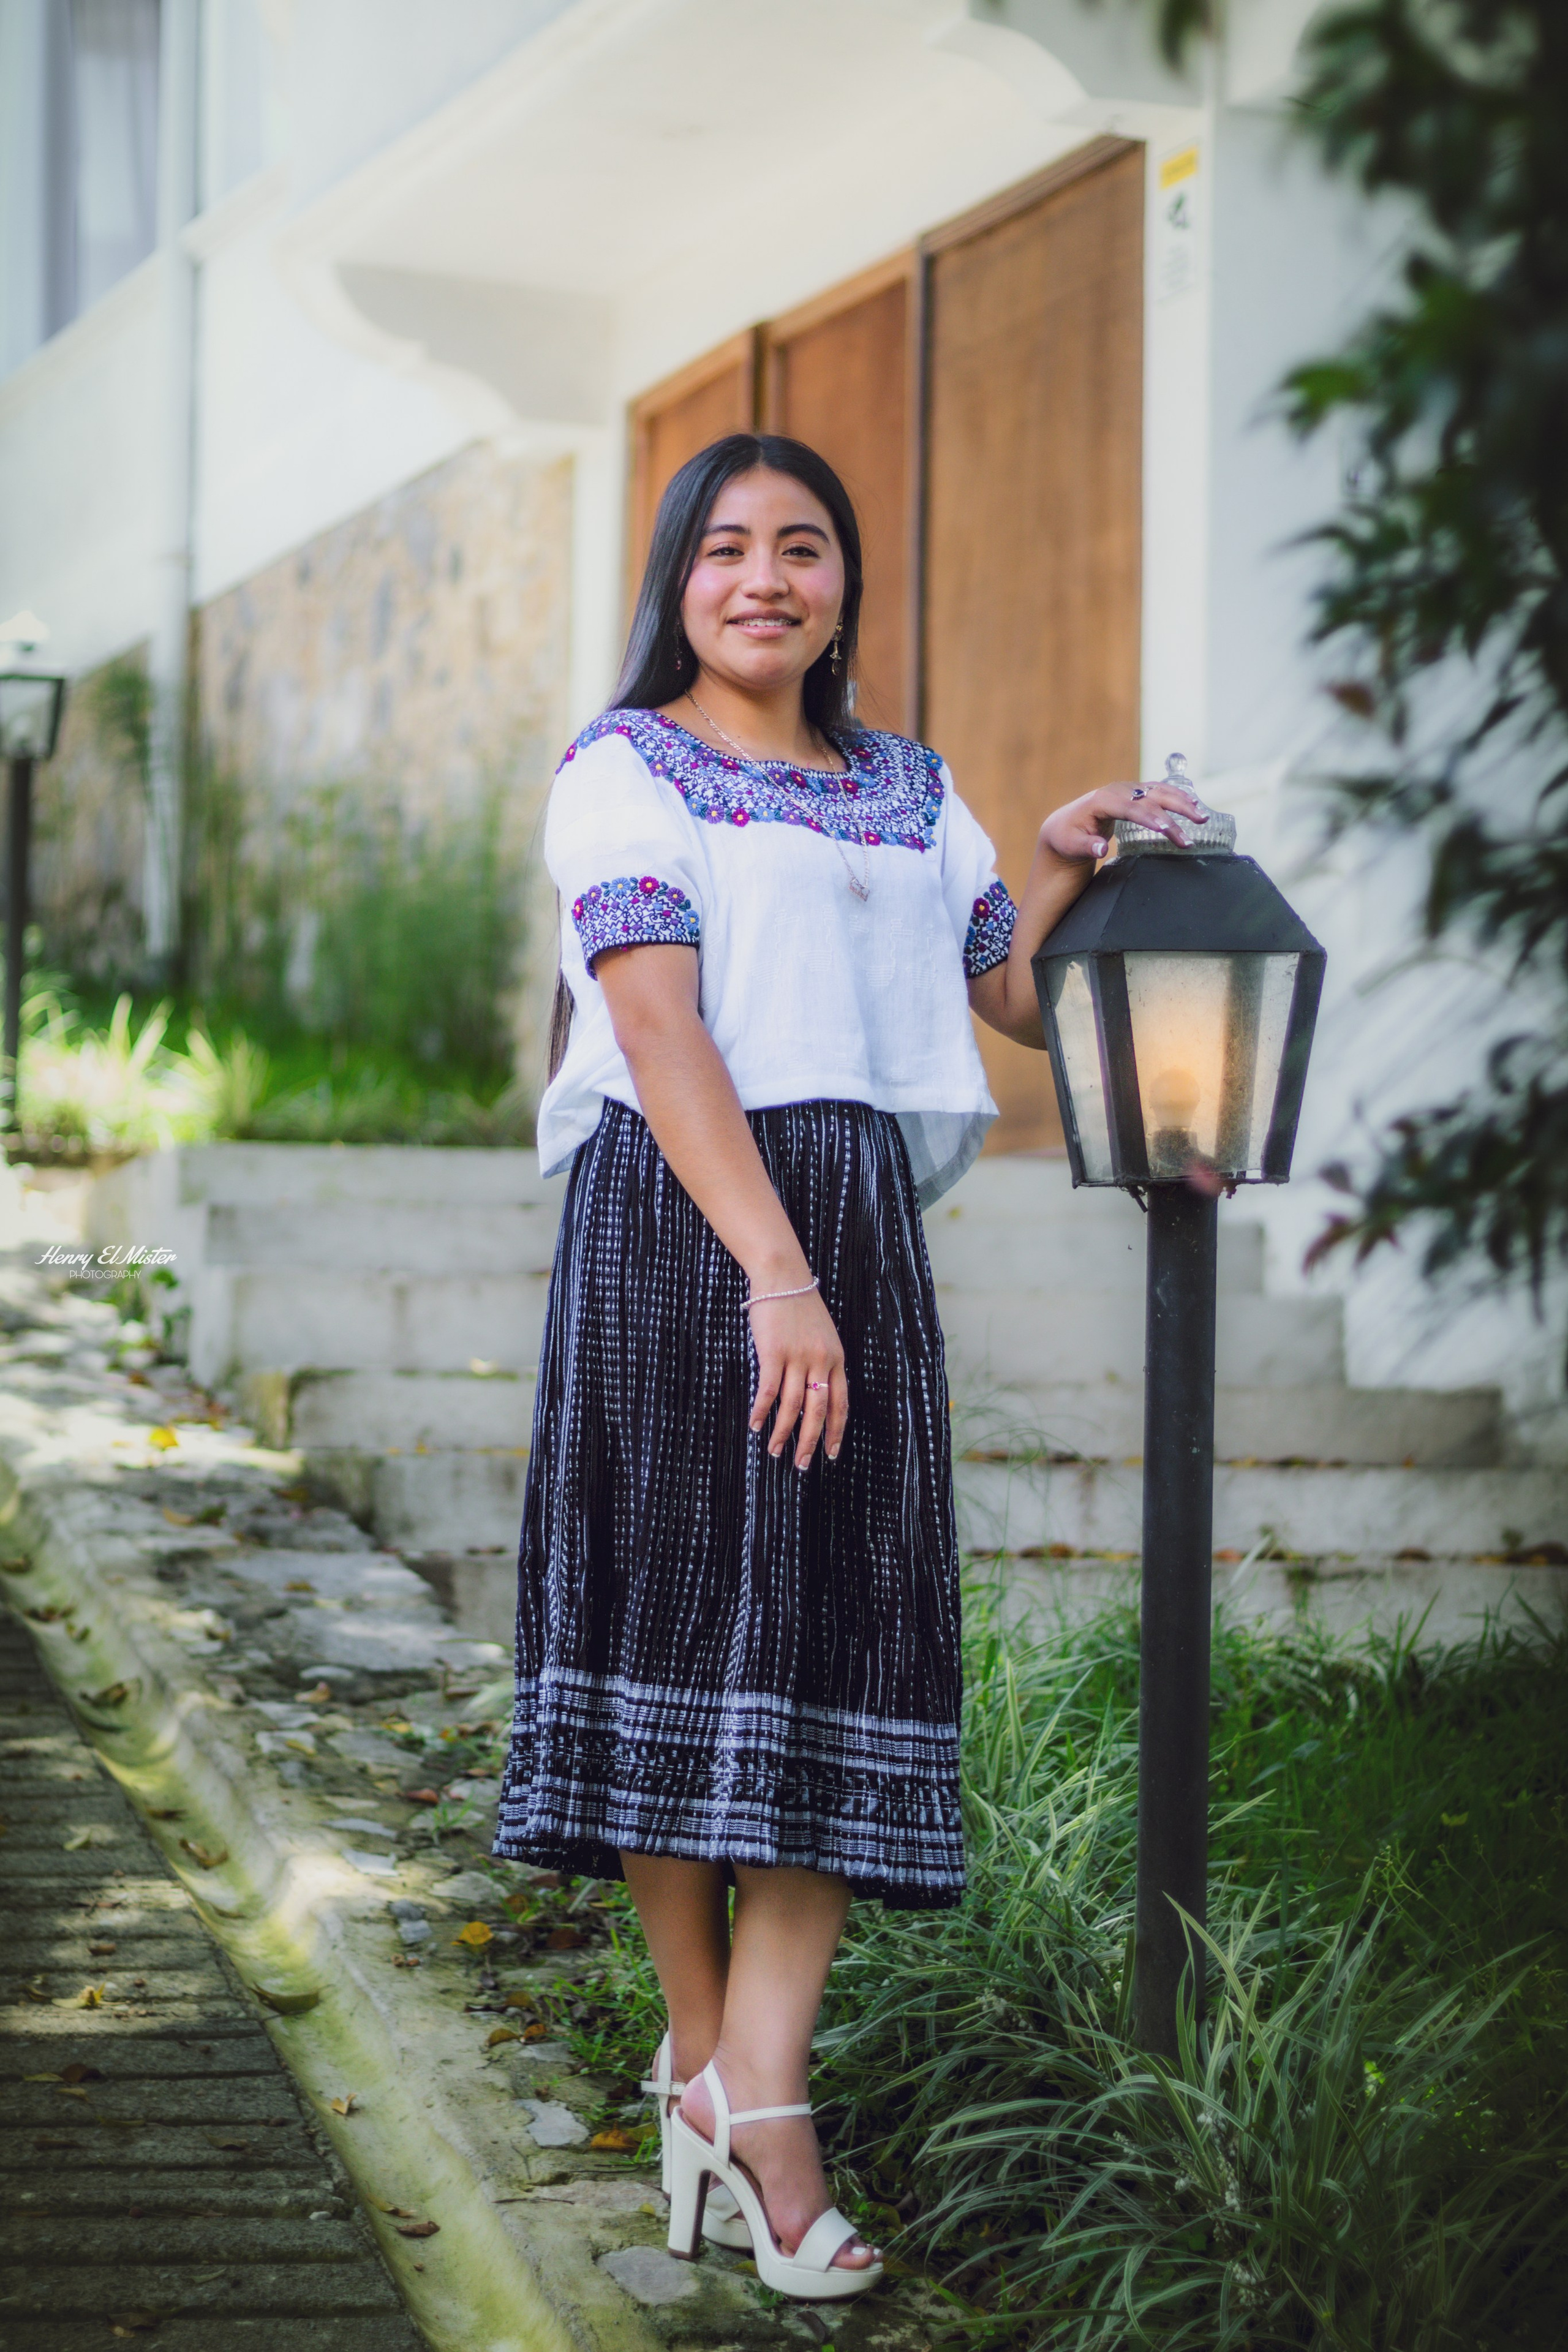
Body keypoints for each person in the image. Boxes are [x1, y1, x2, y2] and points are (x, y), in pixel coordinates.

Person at [493, 433, 1204, 2299]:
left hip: (854, 1239)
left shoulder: (911, 790)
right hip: (685, 1224)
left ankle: (750, 2081)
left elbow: (993, 995)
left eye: (802, 549)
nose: (764, 579)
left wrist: (1053, 859)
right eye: (725, 549)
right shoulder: (623, 770)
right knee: (674, 1630)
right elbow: (655, 1030)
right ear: (677, 579)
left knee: (839, 1632)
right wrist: (774, 1277)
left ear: (841, 586)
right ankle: (723, 2067)